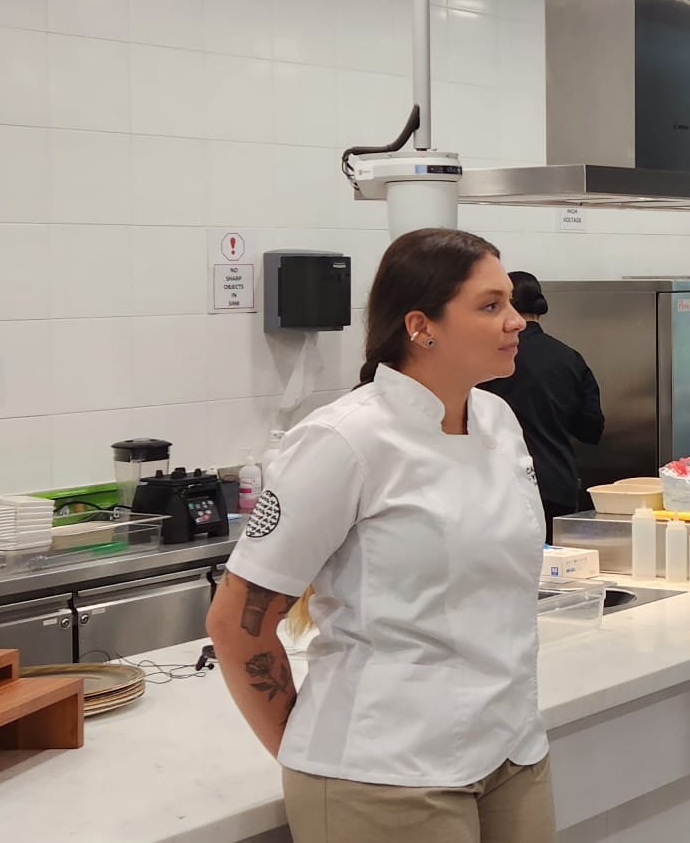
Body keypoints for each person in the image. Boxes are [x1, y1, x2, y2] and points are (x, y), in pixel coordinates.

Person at [207, 228, 555, 843]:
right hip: (384, 772)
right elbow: (238, 621)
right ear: (422, 326)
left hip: (511, 750)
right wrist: (318, 747)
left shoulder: (497, 420)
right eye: (490, 305)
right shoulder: (344, 440)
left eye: (509, 302)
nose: (517, 322)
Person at [481, 271, 606, 541]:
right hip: (559, 484)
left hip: (503, 488)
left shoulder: (490, 361)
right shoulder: (569, 357)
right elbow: (591, 428)